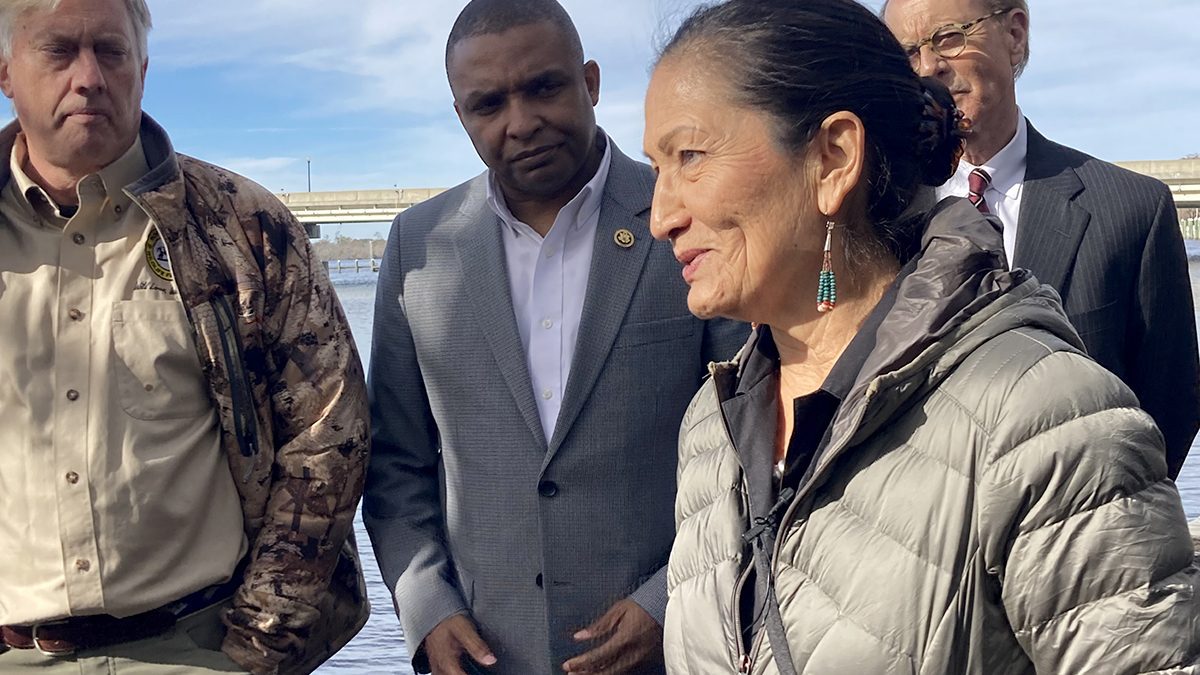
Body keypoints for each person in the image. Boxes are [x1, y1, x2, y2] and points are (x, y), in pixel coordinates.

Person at [644, 0, 1200, 673]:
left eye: (691, 156)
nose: (661, 215)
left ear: (833, 157)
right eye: (656, 168)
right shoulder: (711, 427)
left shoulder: (1043, 412)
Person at [363, 1, 744, 673]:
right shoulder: (417, 246)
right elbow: (397, 462)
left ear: (590, 81)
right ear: (462, 117)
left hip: (674, 647)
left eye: (544, 87)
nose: (522, 122)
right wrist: (425, 603)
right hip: (484, 655)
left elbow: (755, 436)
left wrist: (670, 597)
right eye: (488, 104)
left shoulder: (687, 219)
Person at [0, 0, 370, 673]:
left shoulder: (245, 228)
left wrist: (257, 649)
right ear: (6, 70)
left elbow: (328, 436)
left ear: (142, 67)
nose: (88, 77)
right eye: (59, 51)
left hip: (198, 650)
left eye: (110, 51)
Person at [882, 0, 1200, 478]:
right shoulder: (876, 215)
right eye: (907, 54)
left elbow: (1170, 404)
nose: (929, 67)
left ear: (1015, 35)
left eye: (949, 37)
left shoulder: (1133, 209)